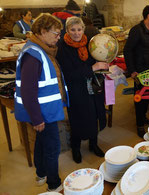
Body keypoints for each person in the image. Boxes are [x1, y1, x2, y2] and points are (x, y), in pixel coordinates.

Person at [14, 13, 66, 192]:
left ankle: (41, 173)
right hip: (43, 112)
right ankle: (54, 184)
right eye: (56, 33)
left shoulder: (41, 49)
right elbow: (28, 91)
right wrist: (37, 118)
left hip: (44, 110)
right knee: (52, 147)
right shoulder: (33, 54)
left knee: (42, 142)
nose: (58, 37)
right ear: (43, 31)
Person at [56, 17, 108, 164]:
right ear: (67, 30)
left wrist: (104, 62)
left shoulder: (90, 43)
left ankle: (93, 144)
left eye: (79, 29)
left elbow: (97, 59)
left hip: (92, 86)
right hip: (76, 89)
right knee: (77, 119)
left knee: (94, 115)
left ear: (83, 29)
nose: (77, 33)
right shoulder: (62, 47)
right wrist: (93, 68)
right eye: (73, 30)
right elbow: (68, 74)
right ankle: (76, 148)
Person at [123, 5, 149, 137]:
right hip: (139, 70)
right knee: (139, 97)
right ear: (148, 16)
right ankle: (139, 124)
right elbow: (127, 50)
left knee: (148, 95)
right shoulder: (137, 30)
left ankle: (143, 117)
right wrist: (132, 70)